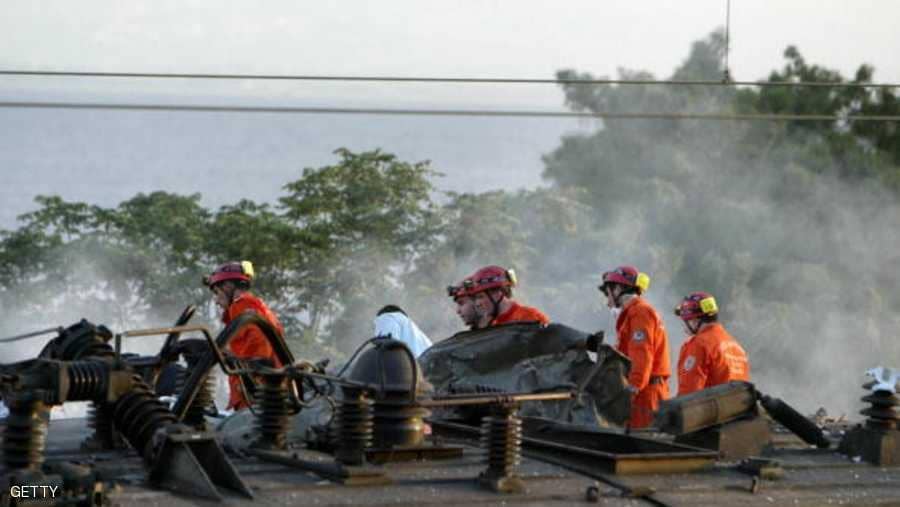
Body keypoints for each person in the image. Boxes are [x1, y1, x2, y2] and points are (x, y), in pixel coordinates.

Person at [203, 260, 284, 411]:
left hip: (256, 393)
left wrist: (243, 366)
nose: (216, 300)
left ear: (228, 286)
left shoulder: (242, 304)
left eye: (217, 292)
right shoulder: (255, 307)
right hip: (261, 391)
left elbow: (260, 344)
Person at [599, 265, 671, 429]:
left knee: (641, 446)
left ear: (617, 289)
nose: (607, 300)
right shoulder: (634, 313)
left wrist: (631, 390)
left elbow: (642, 355)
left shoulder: (640, 313)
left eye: (607, 293)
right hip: (645, 391)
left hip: (645, 396)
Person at [674, 292, 750, 396]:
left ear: (695, 320)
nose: (685, 326)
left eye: (686, 320)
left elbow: (689, 391)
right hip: (738, 410)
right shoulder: (737, 348)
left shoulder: (699, 344)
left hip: (711, 410)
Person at [465, 265, 550, 328]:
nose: (477, 303)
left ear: (498, 293)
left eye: (481, 297)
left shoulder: (529, 317)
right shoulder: (491, 325)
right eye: (475, 299)